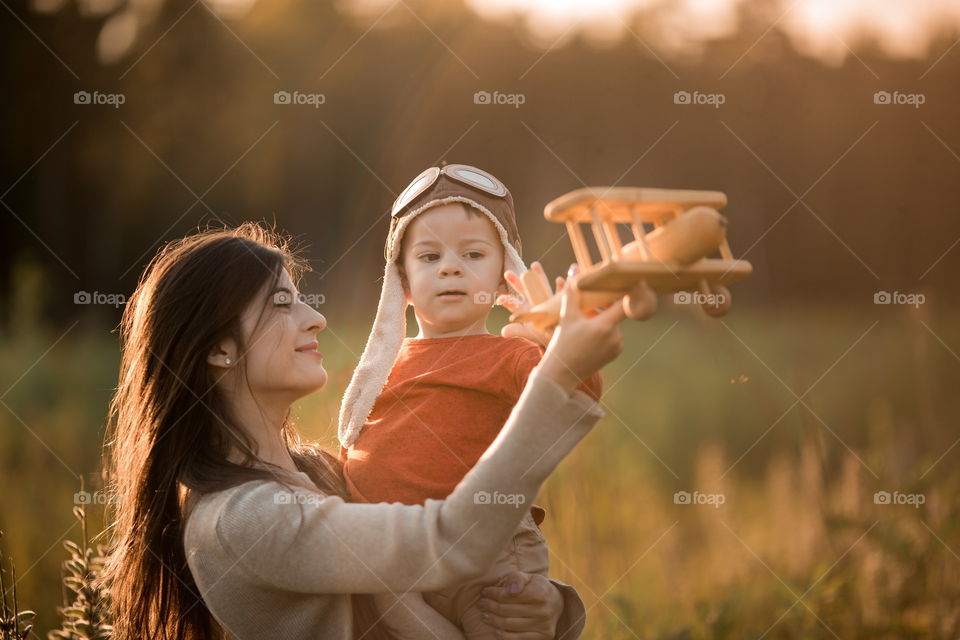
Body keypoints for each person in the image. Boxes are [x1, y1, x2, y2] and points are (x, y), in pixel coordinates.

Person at [101, 222, 624, 640]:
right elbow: (447, 541)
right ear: (219, 348)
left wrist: (545, 607)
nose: (315, 318)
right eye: (282, 303)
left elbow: (443, 578)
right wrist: (555, 378)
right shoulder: (241, 520)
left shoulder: (323, 472)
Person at [338, 163, 601, 638]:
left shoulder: (512, 354)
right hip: (398, 559)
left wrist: (565, 340)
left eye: (473, 254)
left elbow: (572, 393)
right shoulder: (383, 368)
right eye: (429, 256)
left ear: (505, 276)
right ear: (402, 279)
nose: (451, 267)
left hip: (488, 557)